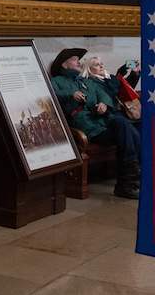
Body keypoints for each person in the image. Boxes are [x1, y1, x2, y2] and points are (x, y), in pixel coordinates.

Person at [49, 48, 140, 199]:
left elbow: (103, 95)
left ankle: (130, 182)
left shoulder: (86, 81)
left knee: (125, 126)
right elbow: (50, 94)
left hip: (102, 121)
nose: (79, 62)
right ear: (64, 65)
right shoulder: (56, 81)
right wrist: (70, 94)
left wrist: (103, 104)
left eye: (79, 59)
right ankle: (128, 183)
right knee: (126, 130)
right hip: (86, 128)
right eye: (74, 59)